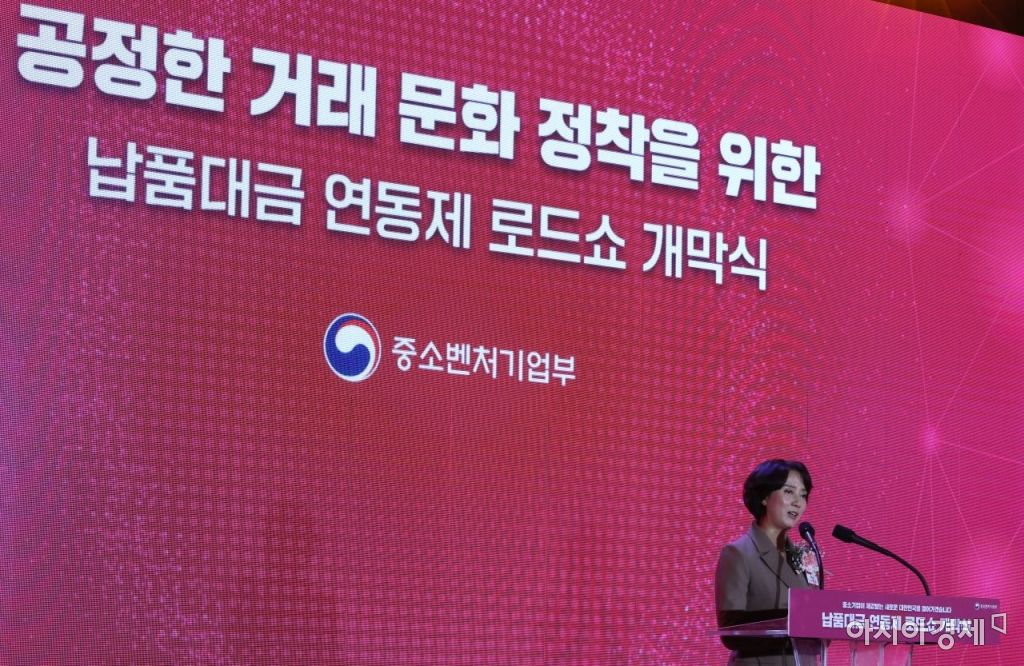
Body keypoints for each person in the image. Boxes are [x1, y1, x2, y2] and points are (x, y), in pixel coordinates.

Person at [715, 459, 815, 666]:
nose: (798, 502)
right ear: (764, 497)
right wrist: (792, 621)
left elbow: (818, 623)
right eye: (789, 492)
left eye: (803, 495)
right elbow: (731, 631)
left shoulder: (805, 556)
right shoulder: (738, 554)